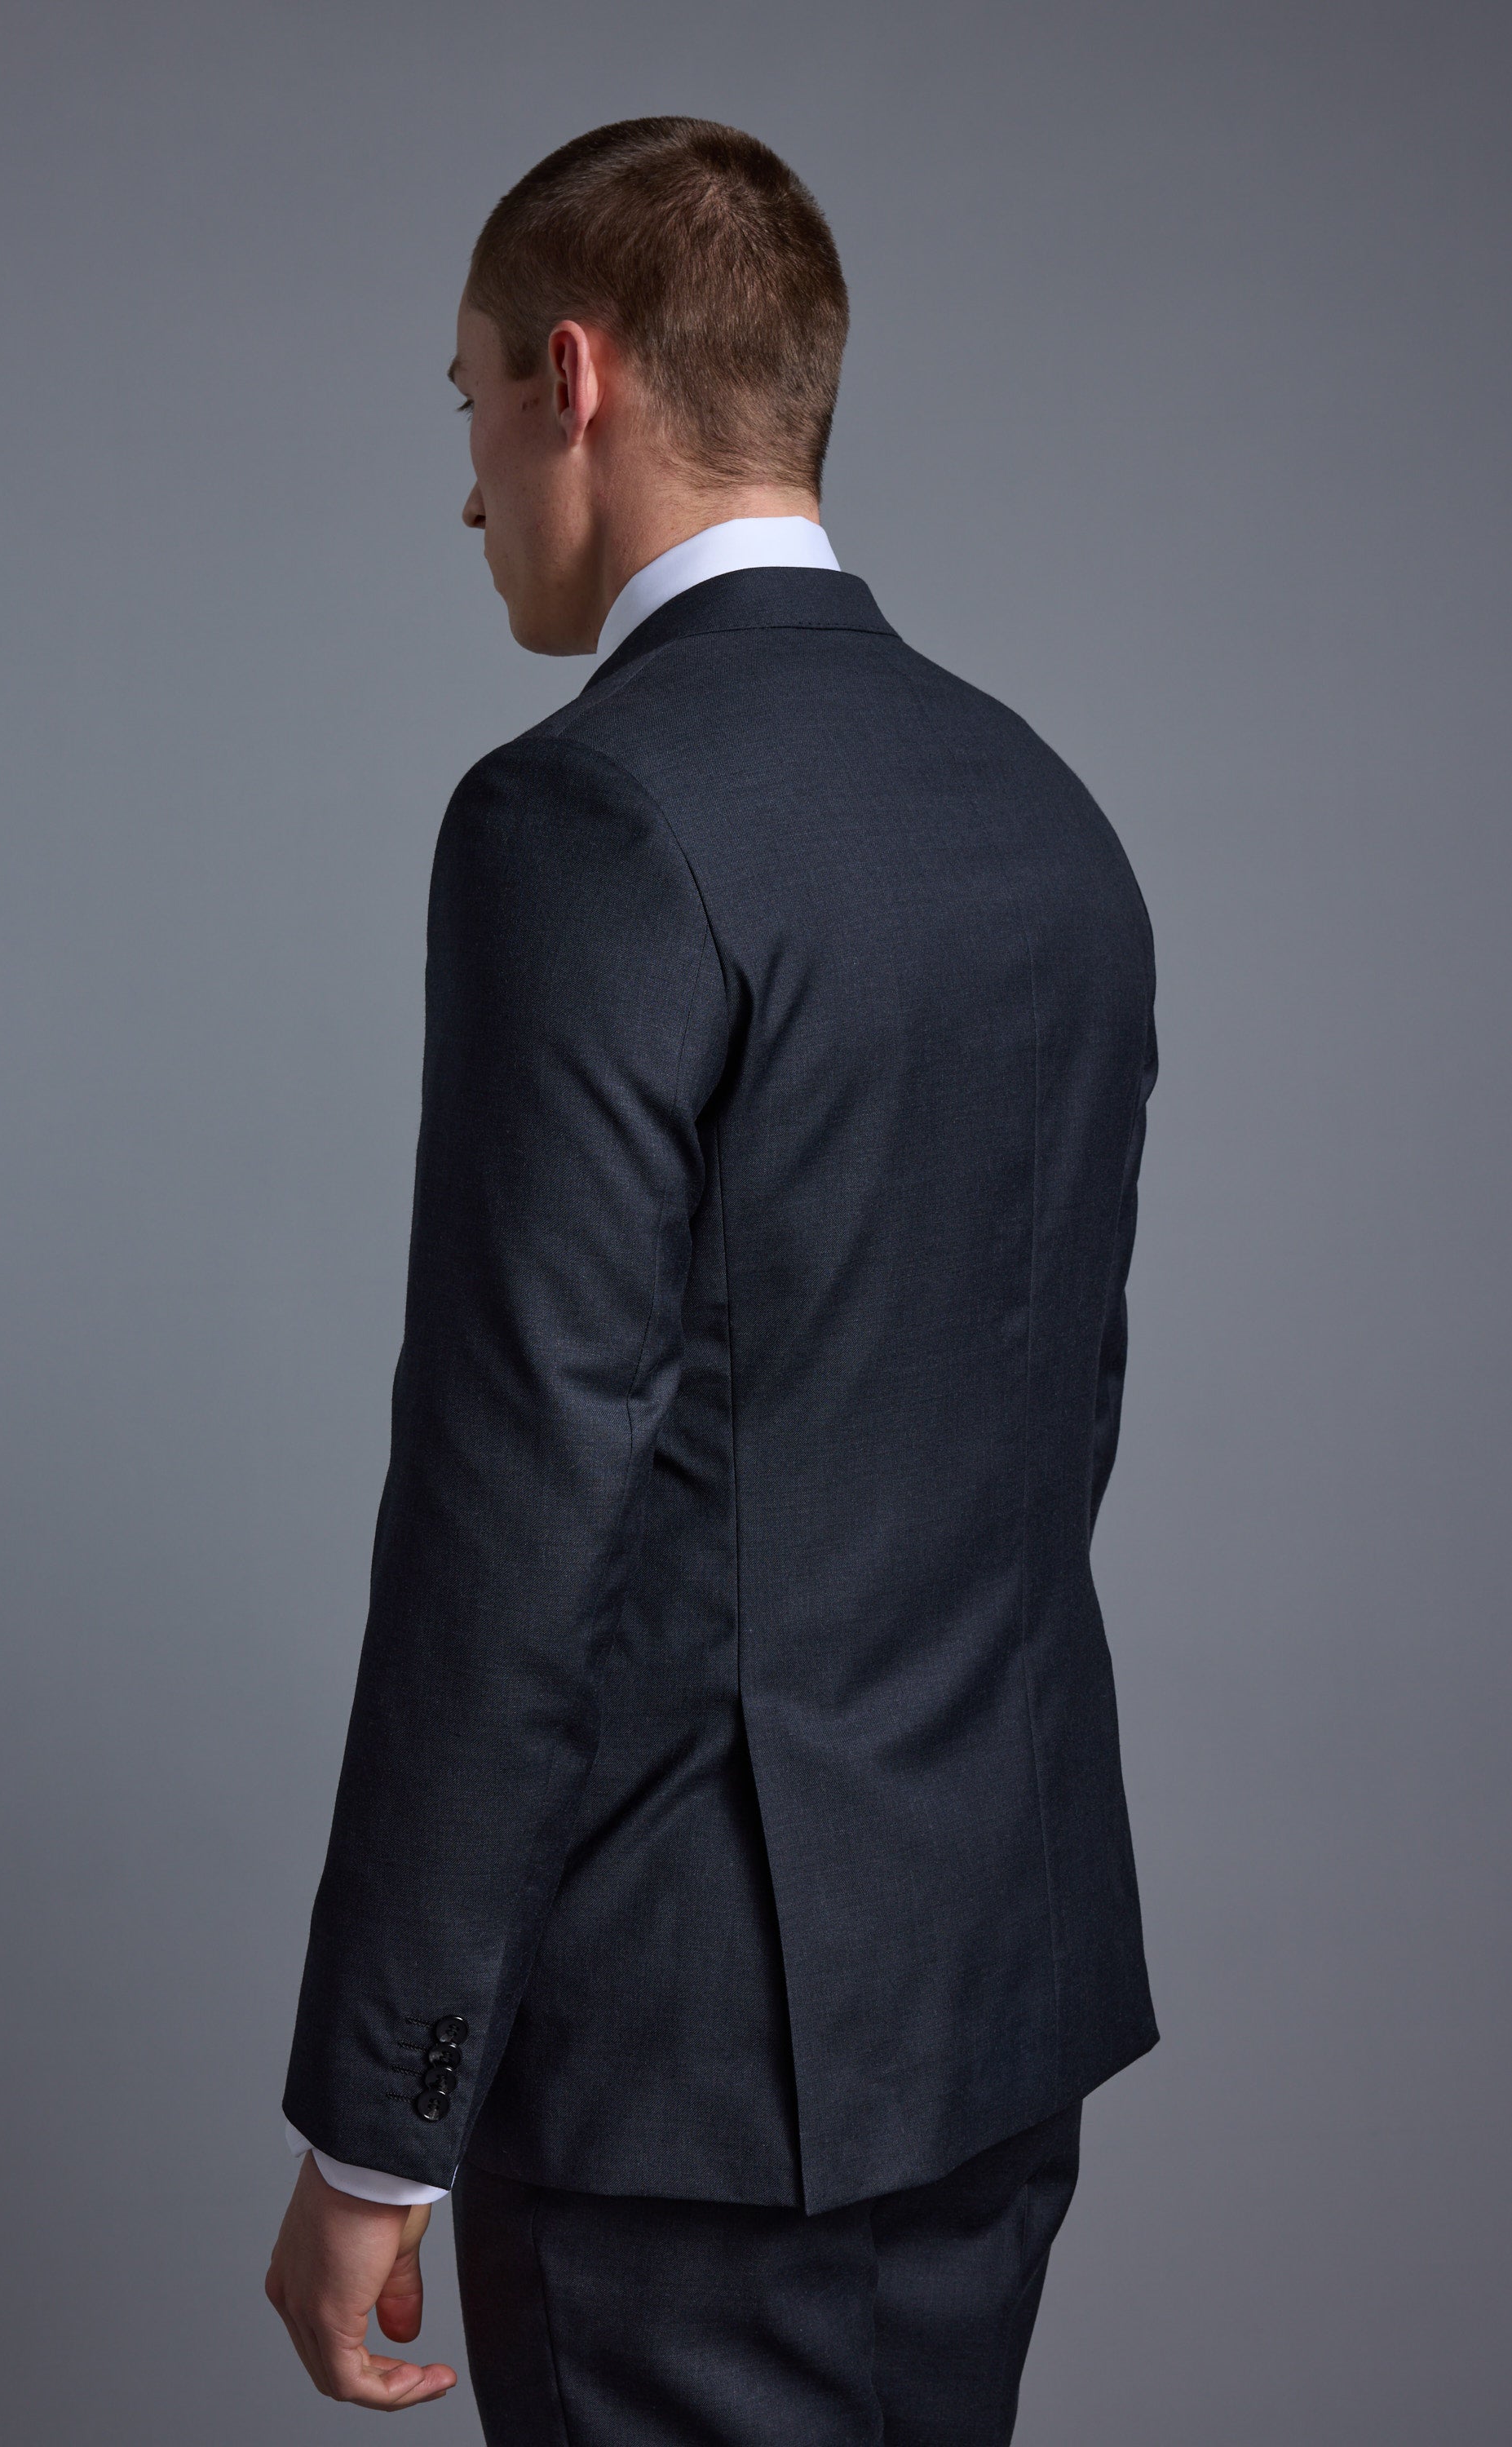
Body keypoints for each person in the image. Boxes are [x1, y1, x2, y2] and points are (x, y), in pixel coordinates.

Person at [265, 116, 1157, 2443]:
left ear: (575, 376)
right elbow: (1050, 1425)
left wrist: (381, 2112)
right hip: (987, 2009)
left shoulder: (583, 814)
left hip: (683, 2080)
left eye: (461, 401)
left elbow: (513, 1500)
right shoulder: (1035, 811)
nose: (465, 492)